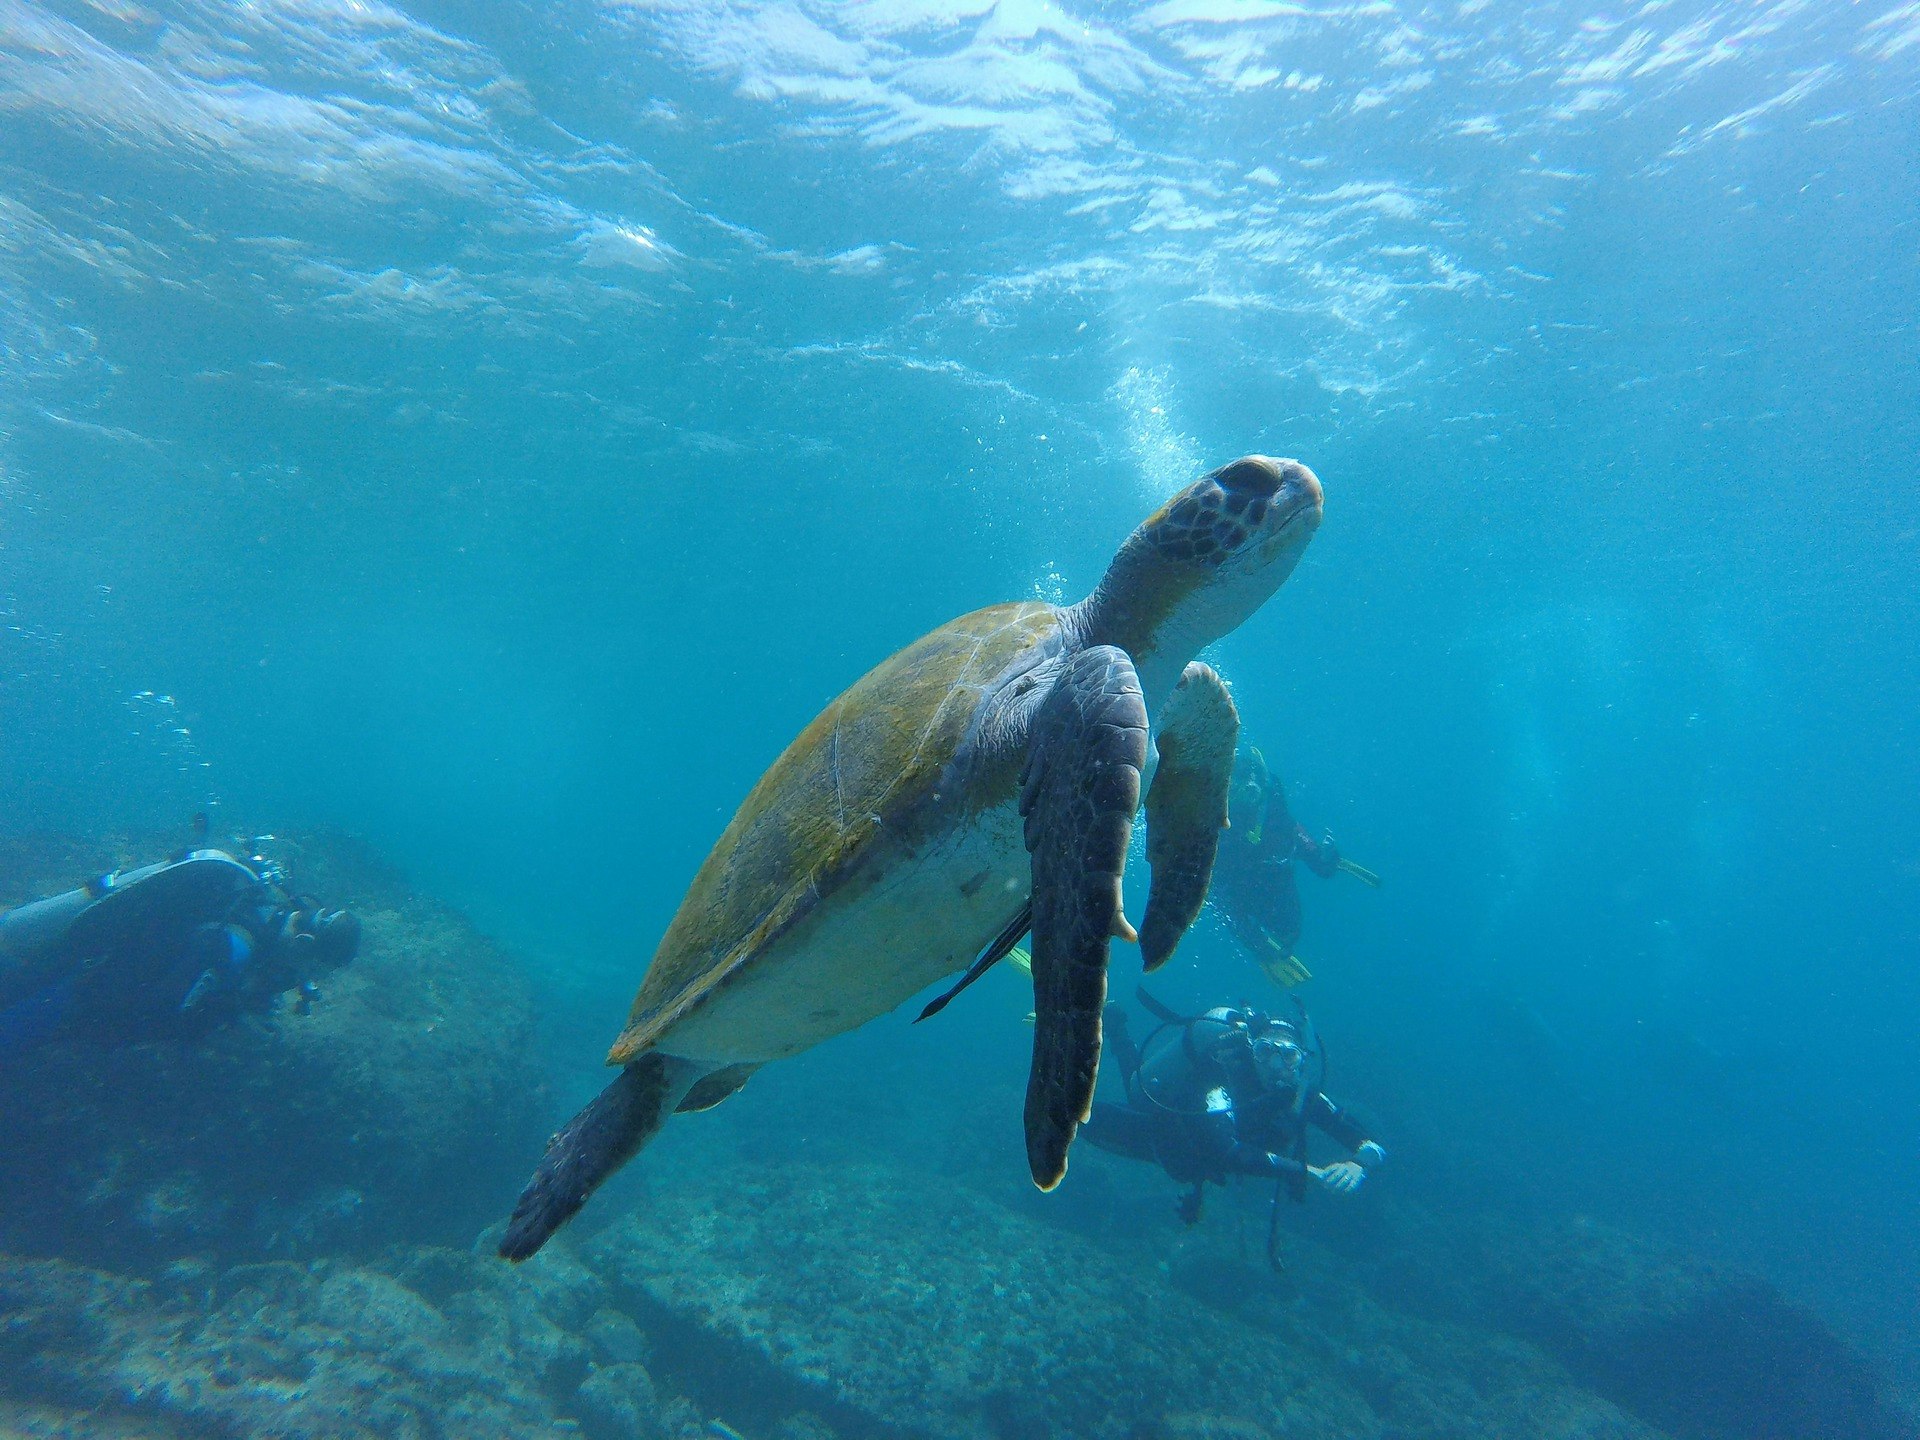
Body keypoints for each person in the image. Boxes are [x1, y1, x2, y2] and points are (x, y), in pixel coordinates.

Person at [1079, 991, 1384, 1260]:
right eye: (1266, 1051)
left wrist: (1360, 1164)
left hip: (1201, 1160)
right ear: (1252, 1051)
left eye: (1289, 1055)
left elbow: (1371, 1144)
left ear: (1302, 1060)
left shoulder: (1305, 1096)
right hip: (1170, 1138)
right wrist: (1307, 1171)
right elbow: (1227, 1151)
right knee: (1102, 1112)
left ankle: (1113, 1027)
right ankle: (1114, 1027)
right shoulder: (1222, 1079)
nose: (1277, 1066)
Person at [0, 836, 360, 1057]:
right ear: (304, 942)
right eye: (314, 968)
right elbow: (160, 1012)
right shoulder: (232, 945)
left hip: (84, 975)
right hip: (72, 993)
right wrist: (228, 1021)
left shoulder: (264, 909)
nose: (305, 979)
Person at [1209, 744, 1378, 989]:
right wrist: (1255, 942)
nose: (1250, 786)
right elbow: (1220, 899)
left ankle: (1274, 946)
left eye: (1255, 780)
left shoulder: (1282, 826)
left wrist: (1329, 856)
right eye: (1242, 779)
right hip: (1244, 902)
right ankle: (1265, 948)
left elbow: (1321, 867)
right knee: (1241, 910)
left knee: (1289, 933)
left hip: (1284, 912)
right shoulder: (1218, 837)